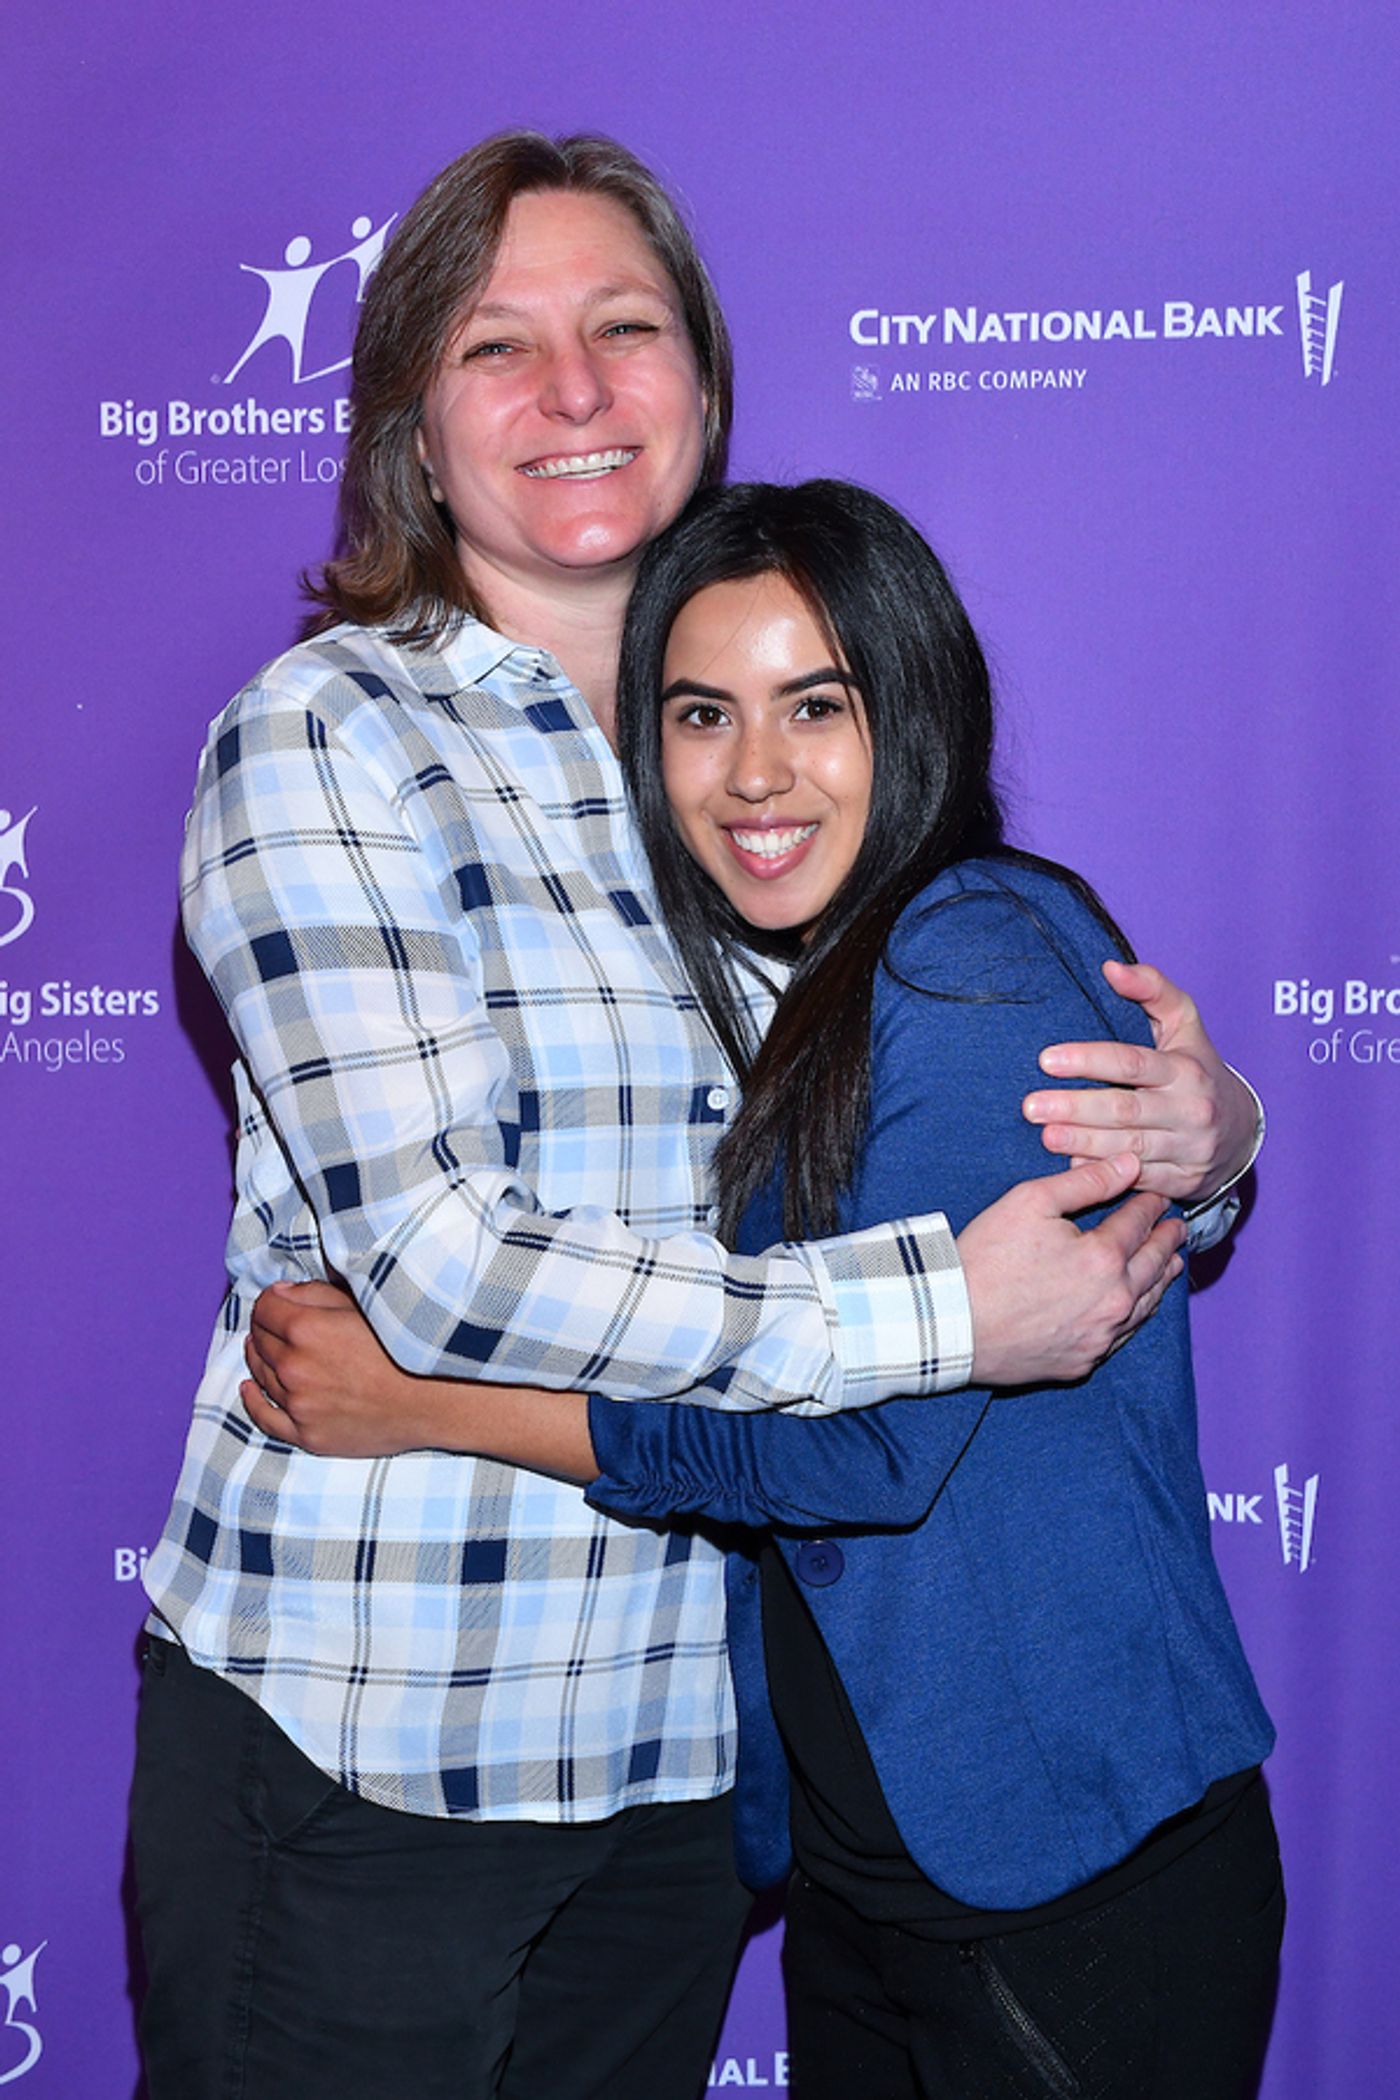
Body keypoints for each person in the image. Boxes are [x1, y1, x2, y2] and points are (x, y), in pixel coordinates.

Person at [136, 132, 1260, 2100]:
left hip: (676, 1778)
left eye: (624, 328)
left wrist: (1212, 1131)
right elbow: (441, 1268)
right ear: (412, 424)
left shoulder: (754, 811)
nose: (573, 390)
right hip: (366, 1747)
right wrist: (935, 1315)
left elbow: (1021, 1177)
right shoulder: (327, 739)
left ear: (707, 388)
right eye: (500, 345)